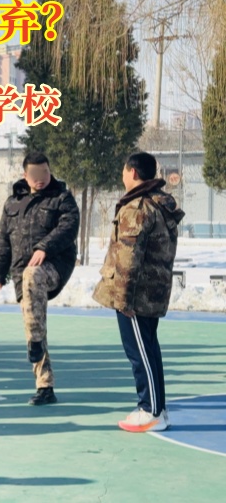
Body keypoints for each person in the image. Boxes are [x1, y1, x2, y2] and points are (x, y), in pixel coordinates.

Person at [93, 152, 184, 432]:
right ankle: (157, 407)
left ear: (132, 172)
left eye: (124, 171)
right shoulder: (159, 203)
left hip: (136, 294)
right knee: (148, 350)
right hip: (152, 290)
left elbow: (128, 258)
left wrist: (124, 299)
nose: (122, 175)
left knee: (140, 353)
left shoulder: (137, 207)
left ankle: (151, 410)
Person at [0, 152, 80, 406]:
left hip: (54, 266)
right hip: (22, 272)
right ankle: (44, 387)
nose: (41, 178)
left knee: (33, 277)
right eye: (35, 174)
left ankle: (36, 342)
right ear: (25, 175)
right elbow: (3, 239)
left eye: (45, 173)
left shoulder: (61, 198)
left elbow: (69, 227)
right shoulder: (12, 203)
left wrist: (44, 248)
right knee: (33, 323)